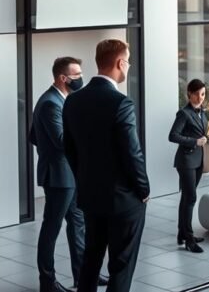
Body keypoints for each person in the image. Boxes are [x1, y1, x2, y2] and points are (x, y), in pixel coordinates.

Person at [63, 39, 150, 292]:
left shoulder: (73, 101)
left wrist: (84, 180)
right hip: (124, 199)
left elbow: (69, 149)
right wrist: (143, 190)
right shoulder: (121, 102)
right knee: (121, 266)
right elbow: (132, 154)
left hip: (91, 196)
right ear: (120, 63)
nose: (129, 66)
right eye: (128, 61)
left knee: (91, 260)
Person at [29, 57, 108, 292]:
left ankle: (84, 275)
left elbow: (35, 136)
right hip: (58, 177)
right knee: (51, 229)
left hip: (69, 174)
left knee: (77, 223)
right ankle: (47, 282)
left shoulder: (62, 100)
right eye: (77, 75)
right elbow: (62, 140)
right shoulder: (50, 103)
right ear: (63, 78)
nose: (81, 78)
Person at [168, 78, 209, 253]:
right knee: (191, 198)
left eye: (203, 94)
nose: (200, 98)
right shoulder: (184, 113)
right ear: (189, 94)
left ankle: (182, 233)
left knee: (187, 197)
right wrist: (195, 142)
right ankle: (189, 238)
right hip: (186, 161)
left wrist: (205, 139)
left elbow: (199, 132)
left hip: (198, 160)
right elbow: (173, 136)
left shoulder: (202, 112)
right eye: (197, 94)